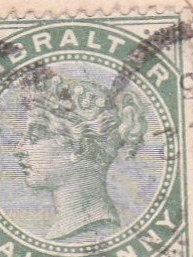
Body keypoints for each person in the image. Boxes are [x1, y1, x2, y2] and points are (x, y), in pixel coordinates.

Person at [14, 69, 150, 241]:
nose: (18, 150)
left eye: (34, 137)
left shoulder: (92, 232)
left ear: (80, 148)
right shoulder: (65, 229)